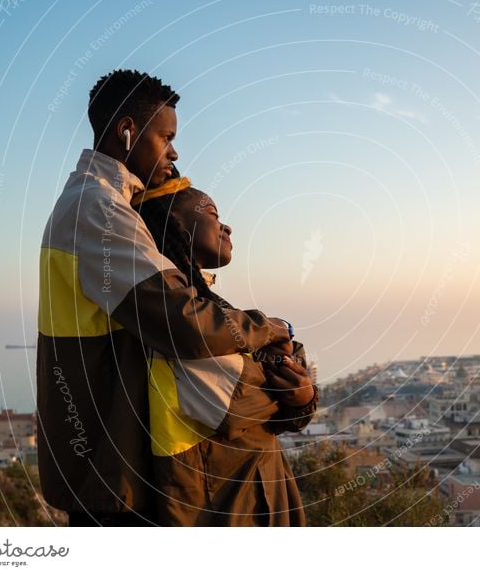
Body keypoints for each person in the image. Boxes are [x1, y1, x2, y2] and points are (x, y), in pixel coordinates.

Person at [37, 69, 293, 526]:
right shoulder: (97, 209)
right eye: (165, 137)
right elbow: (182, 321)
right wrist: (266, 328)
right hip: (113, 471)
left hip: (112, 466)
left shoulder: (96, 204)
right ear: (127, 130)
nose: (174, 152)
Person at [134, 178, 318, 526]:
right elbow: (240, 406)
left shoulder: (207, 308)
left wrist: (302, 394)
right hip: (221, 504)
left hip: (257, 491)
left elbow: (282, 402)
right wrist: (296, 385)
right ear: (176, 226)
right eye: (213, 215)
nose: (227, 226)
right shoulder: (180, 319)